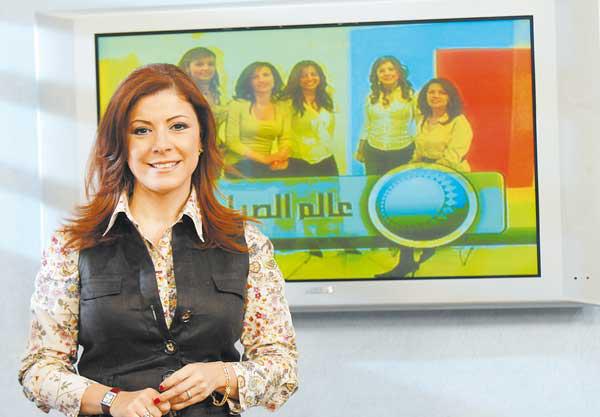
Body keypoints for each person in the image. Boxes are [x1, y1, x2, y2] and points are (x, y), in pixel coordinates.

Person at [18, 64, 298, 417]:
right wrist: (112, 400)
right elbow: (39, 369)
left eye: (178, 126)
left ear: (201, 140)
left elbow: (282, 364)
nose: (161, 145)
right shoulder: (72, 245)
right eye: (142, 130)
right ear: (121, 144)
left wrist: (220, 375)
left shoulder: (247, 243)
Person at [224, 62, 292, 178]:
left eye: (266, 75)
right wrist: (264, 159)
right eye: (255, 77)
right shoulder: (237, 105)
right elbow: (232, 142)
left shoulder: (283, 107)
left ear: (274, 78)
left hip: (266, 166)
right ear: (249, 82)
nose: (261, 80)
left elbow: (286, 138)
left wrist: (281, 157)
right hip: (238, 165)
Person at [355, 55, 417, 175]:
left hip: (403, 151)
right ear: (376, 75)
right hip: (373, 152)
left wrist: (419, 151)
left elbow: (419, 124)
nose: (387, 73)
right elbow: (367, 125)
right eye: (382, 71)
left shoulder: (411, 95)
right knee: (373, 185)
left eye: (391, 69)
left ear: (399, 72)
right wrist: (360, 149)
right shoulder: (371, 96)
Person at [281, 60, 338, 177]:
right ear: (296, 79)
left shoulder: (327, 97)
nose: (309, 78)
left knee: (331, 189)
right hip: (299, 162)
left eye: (313, 74)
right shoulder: (288, 103)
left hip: (326, 160)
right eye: (304, 76)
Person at [412, 78, 473, 171]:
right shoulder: (423, 119)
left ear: (450, 97)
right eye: (431, 92)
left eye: (442, 93)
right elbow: (419, 152)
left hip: (451, 172)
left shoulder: (459, 121)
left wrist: (429, 170)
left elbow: (452, 158)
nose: (435, 96)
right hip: (426, 171)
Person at [177, 47, 228, 128]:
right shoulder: (179, 94)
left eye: (210, 64)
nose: (206, 68)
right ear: (187, 68)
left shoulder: (219, 93)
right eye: (199, 64)